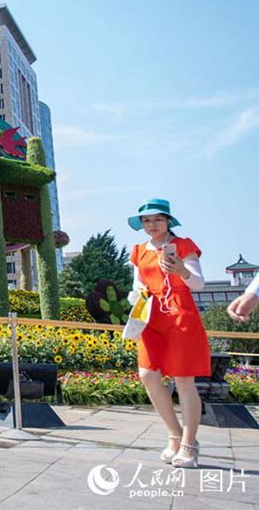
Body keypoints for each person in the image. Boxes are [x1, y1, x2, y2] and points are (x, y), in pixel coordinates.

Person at [127, 198, 209, 469]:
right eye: (146, 221)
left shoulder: (183, 246)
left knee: (184, 381)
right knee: (147, 375)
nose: (152, 225)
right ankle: (174, 436)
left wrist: (182, 270)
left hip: (180, 315)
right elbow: (137, 285)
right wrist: (136, 296)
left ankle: (189, 445)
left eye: (157, 220)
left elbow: (198, 283)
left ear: (168, 221)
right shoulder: (139, 250)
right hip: (150, 316)